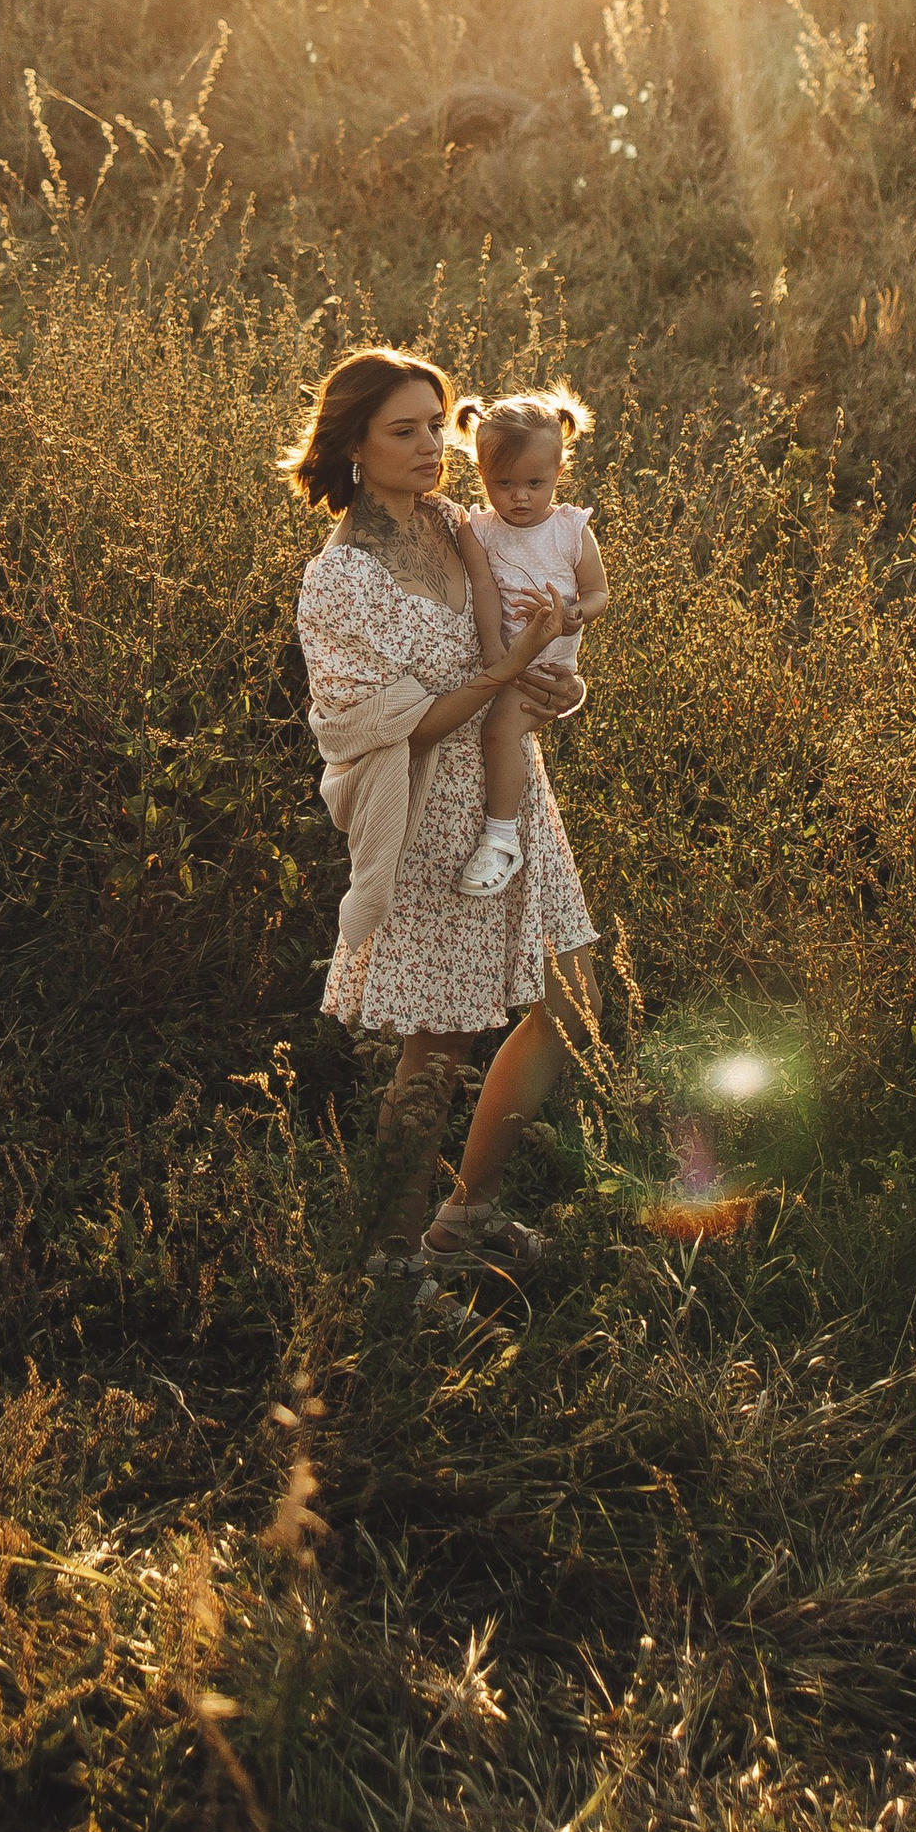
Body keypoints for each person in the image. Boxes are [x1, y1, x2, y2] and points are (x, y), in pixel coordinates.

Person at [286, 345, 597, 1299]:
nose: (430, 446)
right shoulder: (340, 582)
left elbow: (535, 643)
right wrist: (507, 674)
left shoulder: (462, 524)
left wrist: (555, 686)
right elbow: (396, 723)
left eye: (436, 425)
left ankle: (464, 1216)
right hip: (428, 819)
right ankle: (388, 1265)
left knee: (571, 999)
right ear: (353, 447)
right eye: (404, 431)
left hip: (510, 793)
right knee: (438, 1043)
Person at [448, 382, 610, 901]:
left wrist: (571, 615)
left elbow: (599, 593)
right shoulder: (480, 529)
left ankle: (501, 837)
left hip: (547, 671)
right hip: (505, 662)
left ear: (559, 473)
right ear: (482, 476)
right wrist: (495, 649)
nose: (520, 497)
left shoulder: (570, 529)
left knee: (499, 732)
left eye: (535, 483)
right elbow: (484, 589)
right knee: (490, 730)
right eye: (505, 483)